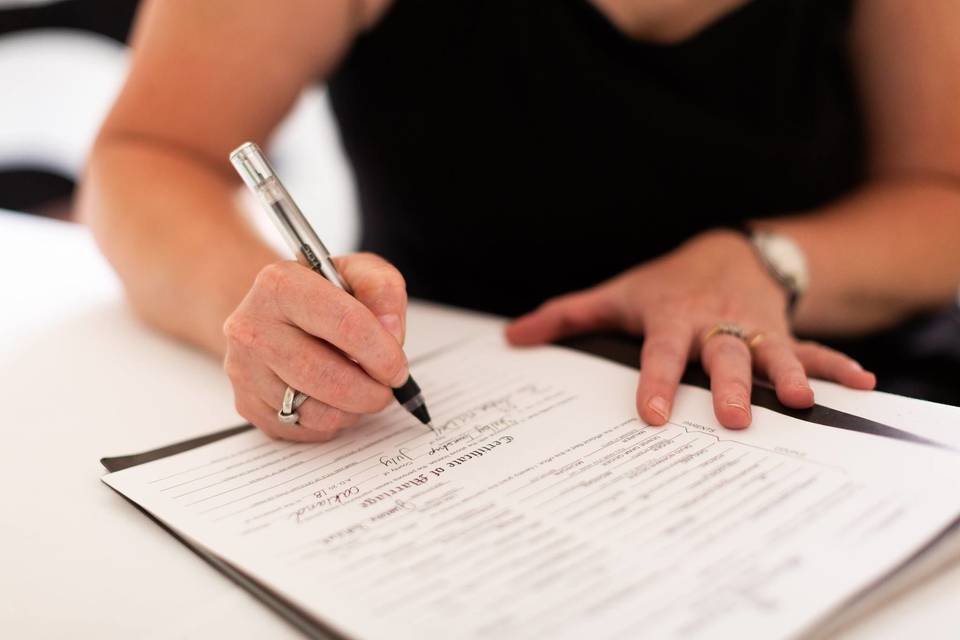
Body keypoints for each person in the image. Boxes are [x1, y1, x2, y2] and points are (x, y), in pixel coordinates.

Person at [78, 0, 960, 442]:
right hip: (461, 400)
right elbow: (149, 155)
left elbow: (943, 191)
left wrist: (772, 262)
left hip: (826, 408)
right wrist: (273, 324)